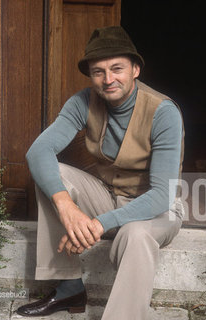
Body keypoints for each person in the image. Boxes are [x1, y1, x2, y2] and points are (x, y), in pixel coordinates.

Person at [16, 26, 185, 320]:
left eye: (117, 68)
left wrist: (98, 224)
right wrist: (66, 205)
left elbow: (162, 194)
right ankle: (69, 287)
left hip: (157, 209)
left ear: (135, 69)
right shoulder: (83, 101)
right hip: (108, 194)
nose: (108, 80)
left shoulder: (163, 112)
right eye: (98, 71)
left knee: (137, 233)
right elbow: (38, 152)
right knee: (51, 175)